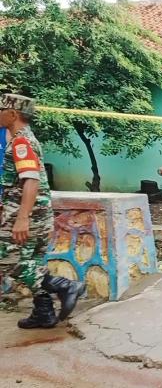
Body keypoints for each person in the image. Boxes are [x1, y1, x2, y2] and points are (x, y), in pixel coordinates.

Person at [0, 94, 85, 329]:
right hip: (38, 214)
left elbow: (30, 180)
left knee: (8, 261)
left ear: (13, 114)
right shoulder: (23, 139)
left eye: (1, 109)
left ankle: (66, 286)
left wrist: (22, 218)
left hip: (26, 215)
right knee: (32, 262)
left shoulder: (21, 142)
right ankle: (44, 312)